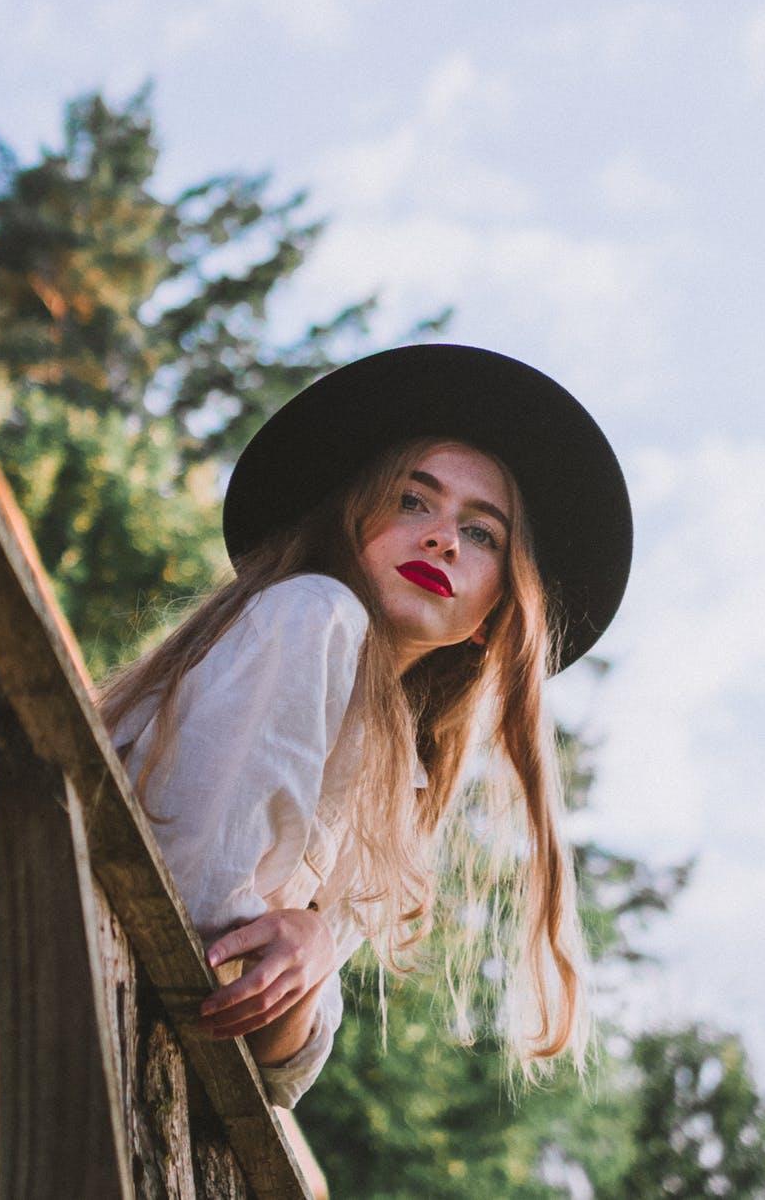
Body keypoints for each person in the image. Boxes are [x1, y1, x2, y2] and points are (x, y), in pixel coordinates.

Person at [98, 343, 632, 1107]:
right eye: (412, 501)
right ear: (348, 519)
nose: (443, 538)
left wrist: (310, 945)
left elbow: (282, 1071)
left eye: (481, 534)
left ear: (493, 616)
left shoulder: (400, 778)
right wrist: (275, 964)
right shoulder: (311, 613)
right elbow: (194, 928)